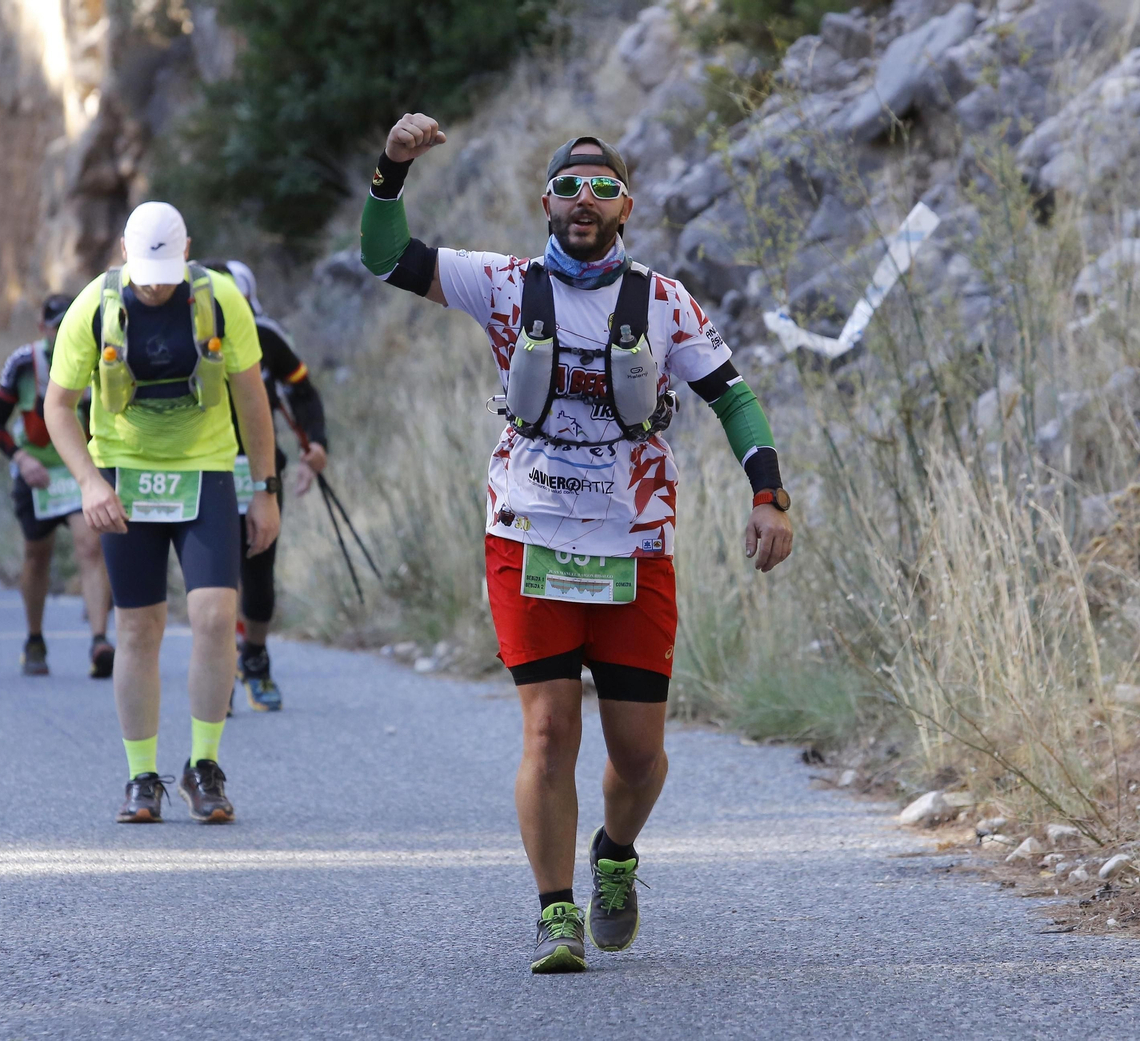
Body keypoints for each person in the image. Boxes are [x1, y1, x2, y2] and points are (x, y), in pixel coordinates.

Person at [360, 116, 795, 973]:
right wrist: (391, 172)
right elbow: (388, 259)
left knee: (637, 754)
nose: (583, 201)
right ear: (546, 201)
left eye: (601, 188)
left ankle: (615, 855)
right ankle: (555, 911)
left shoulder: (666, 301)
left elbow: (733, 398)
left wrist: (769, 493)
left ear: (627, 204)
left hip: (633, 540)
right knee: (550, 732)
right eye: (568, 187)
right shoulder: (504, 283)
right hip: (527, 531)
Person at [42, 201, 280, 824]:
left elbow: (253, 399)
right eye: (146, 271)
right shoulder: (94, 306)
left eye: (166, 271)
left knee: (213, 615)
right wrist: (90, 483)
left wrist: (265, 488)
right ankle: (140, 776)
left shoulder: (220, 298)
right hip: (125, 477)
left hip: (204, 472)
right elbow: (58, 408)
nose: (155, 285)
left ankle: (204, 764)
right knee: (138, 628)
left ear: (189, 250)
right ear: (123, 251)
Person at [205, 259, 329, 712]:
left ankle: (254, 658)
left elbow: (303, 390)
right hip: (203, 469)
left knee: (257, 571)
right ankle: (218, 669)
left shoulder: (267, 336)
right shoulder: (182, 333)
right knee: (214, 578)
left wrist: (316, 444)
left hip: (259, 469)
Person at [0, 294, 116, 678]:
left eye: (69, 324)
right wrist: (21, 460)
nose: (63, 332)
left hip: (81, 473)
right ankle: (35, 638)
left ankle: (99, 641)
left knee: (91, 548)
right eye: (56, 326)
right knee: (36, 556)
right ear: (43, 327)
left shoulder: (104, 355)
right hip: (37, 473)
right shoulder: (24, 363)